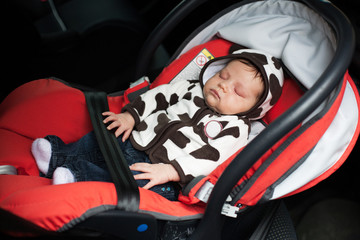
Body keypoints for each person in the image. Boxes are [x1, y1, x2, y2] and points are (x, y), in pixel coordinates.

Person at [31, 47, 284, 201]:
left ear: (252, 109)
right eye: (222, 75)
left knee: (130, 181)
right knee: (103, 138)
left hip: (163, 174)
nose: (223, 85)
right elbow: (158, 96)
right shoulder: (191, 89)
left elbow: (210, 158)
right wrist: (131, 116)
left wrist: (171, 171)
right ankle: (59, 156)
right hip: (138, 138)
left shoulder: (235, 129)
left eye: (237, 92)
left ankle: (78, 177)